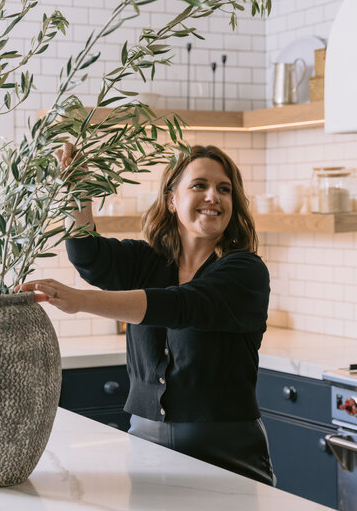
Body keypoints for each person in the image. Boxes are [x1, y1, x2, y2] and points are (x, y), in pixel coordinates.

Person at [16, 144, 275, 486]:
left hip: (227, 450)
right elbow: (89, 254)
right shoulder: (146, 261)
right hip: (145, 443)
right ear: (171, 200)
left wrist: (81, 300)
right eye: (199, 185)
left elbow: (180, 304)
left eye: (224, 189)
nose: (213, 195)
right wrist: (79, 188)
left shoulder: (245, 271)